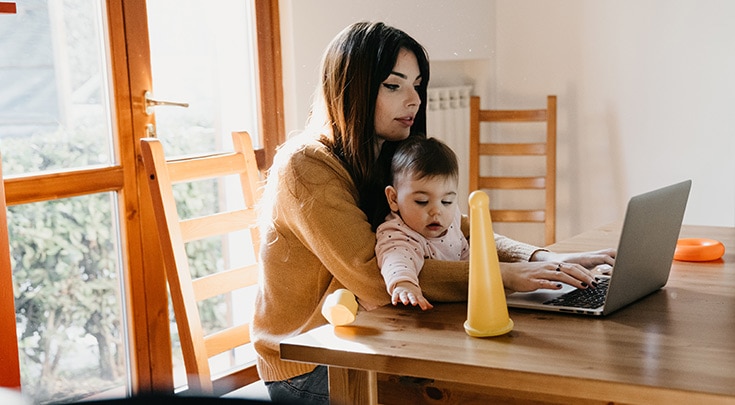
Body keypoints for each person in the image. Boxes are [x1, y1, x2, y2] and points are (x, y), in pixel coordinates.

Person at [252, 21, 615, 405]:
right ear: (351, 89)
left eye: (417, 84)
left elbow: (456, 228)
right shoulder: (305, 165)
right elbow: (376, 278)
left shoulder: (388, 151)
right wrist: (504, 277)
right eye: (394, 85)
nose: (414, 100)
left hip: (381, 336)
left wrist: (540, 258)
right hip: (312, 366)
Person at [376, 136, 468, 311]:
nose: (436, 211)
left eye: (447, 201)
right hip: (411, 316)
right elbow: (396, 257)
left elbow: (465, 256)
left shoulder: (452, 219)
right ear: (393, 199)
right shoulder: (397, 232)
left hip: (450, 310)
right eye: (422, 201)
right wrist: (404, 284)